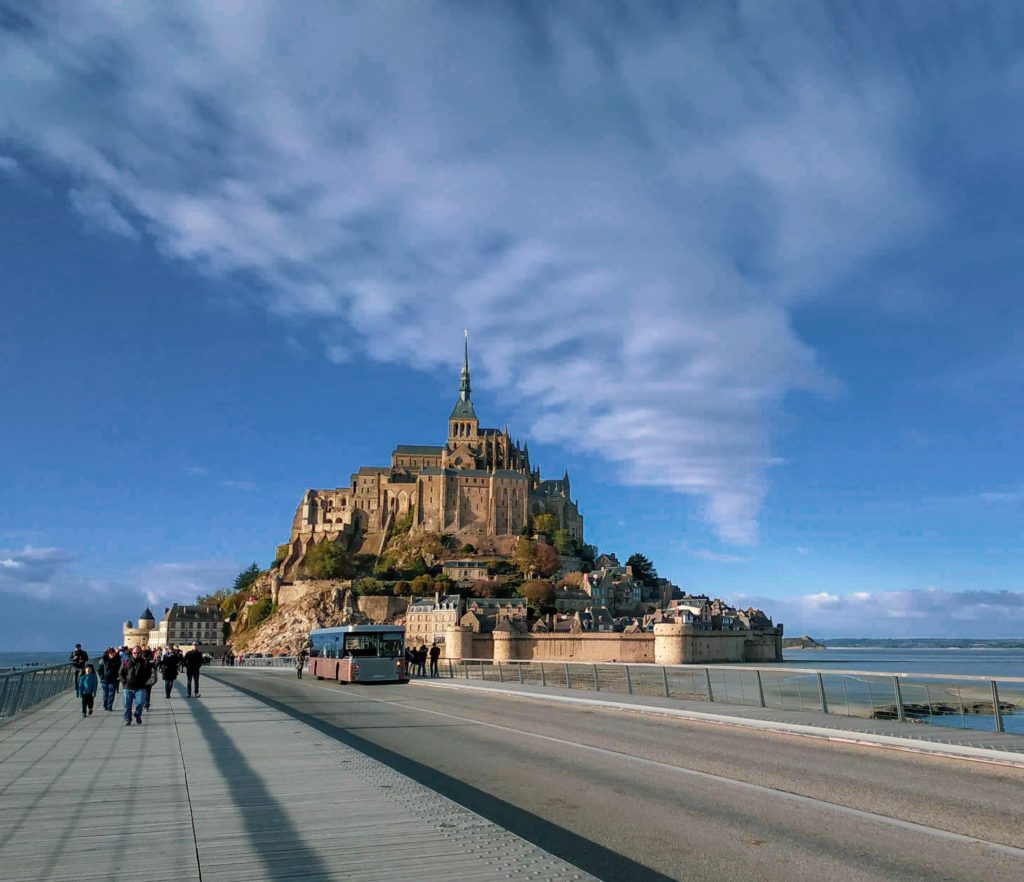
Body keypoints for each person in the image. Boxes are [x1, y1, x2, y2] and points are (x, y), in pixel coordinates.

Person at [120, 646, 152, 726]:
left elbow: (149, 673)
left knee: (140, 703)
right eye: (134, 653)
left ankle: (137, 715)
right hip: (128, 686)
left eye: (138, 653)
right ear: (132, 653)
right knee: (127, 705)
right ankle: (127, 719)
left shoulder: (145, 662)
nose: (136, 654)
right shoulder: (126, 661)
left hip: (140, 687)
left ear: (141, 653)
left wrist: (145, 682)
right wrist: (124, 682)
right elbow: (121, 673)